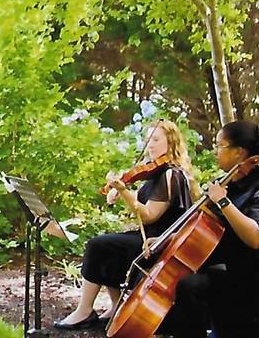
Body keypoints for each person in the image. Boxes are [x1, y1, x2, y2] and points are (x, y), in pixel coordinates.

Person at [163, 120, 259, 338]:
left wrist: (223, 203)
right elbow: (204, 231)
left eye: (220, 146)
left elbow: (257, 238)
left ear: (239, 153)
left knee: (188, 285)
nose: (215, 152)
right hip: (230, 269)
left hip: (254, 281)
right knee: (178, 278)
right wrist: (168, 240)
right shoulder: (227, 186)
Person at [54, 119, 196, 331]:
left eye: (156, 140)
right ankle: (114, 306)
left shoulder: (170, 174)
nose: (151, 145)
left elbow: (148, 215)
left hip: (159, 242)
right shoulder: (156, 174)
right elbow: (137, 202)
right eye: (149, 140)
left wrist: (123, 190)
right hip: (148, 236)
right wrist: (117, 192)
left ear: (171, 143)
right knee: (108, 244)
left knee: (98, 245)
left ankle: (84, 311)